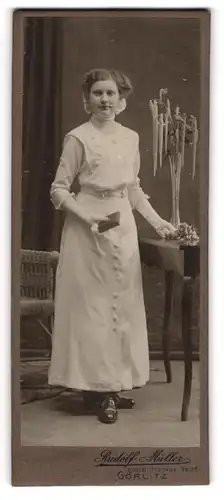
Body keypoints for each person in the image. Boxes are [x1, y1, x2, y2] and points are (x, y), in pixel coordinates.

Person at [48, 68, 175, 424]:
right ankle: (97, 389)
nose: (105, 100)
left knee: (121, 308)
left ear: (122, 100)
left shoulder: (131, 137)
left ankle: (114, 386)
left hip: (122, 227)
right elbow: (58, 190)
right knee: (93, 310)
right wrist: (87, 216)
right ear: (86, 99)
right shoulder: (78, 138)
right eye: (98, 93)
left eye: (112, 94)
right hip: (86, 231)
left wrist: (160, 222)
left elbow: (132, 188)